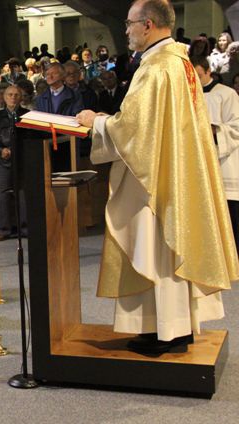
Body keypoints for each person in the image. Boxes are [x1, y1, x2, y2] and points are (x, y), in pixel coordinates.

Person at [76, 0, 239, 355]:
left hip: (154, 180)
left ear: (147, 25)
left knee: (156, 247)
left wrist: (97, 122)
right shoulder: (178, 63)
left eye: (130, 24)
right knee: (162, 249)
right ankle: (165, 326)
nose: (127, 30)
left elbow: (135, 128)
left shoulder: (157, 68)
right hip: (171, 171)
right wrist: (112, 120)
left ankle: (169, 330)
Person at [193, 57, 239, 254]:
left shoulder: (226, 94)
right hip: (198, 161)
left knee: (230, 215)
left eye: (198, 74)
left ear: (208, 71)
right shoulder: (187, 97)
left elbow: (236, 126)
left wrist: (214, 130)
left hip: (224, 160)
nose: (195, 79)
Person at [0, 85, 29, 241]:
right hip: (2, 162)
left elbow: (31, 138)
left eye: (16, 95)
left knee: (23, 196)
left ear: (21, 97)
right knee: (3, 196)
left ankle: (25, 229)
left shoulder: (27, 115)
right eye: (9, 94)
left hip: (22, 161)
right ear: (4, 97)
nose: (13, 97)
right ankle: (3, 230)